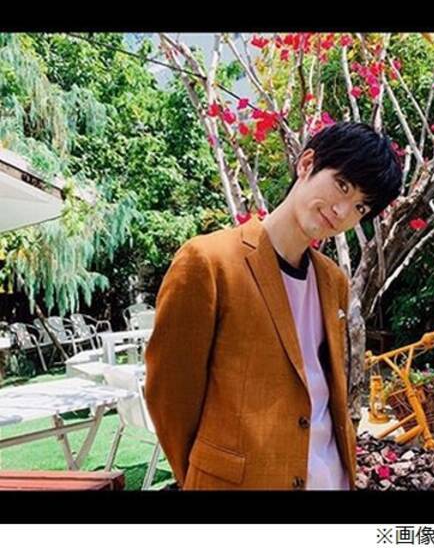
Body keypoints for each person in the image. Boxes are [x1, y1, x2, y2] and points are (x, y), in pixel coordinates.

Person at [145, 122, 402, 490]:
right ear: (306, 163)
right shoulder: (210, 262)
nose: (342, 210)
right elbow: (170, 396)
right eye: (342, 185)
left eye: (360, 206)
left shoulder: (333, 281)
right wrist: (206, 476)